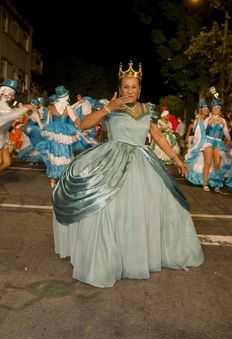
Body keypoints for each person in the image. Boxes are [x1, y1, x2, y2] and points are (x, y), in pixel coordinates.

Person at [52, 61, 204, 288]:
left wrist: (177, 159)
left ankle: (136, 254)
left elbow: (159, 138)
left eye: (134, 87)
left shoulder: (147, 110)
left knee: (145, 209)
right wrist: (108, 108)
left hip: (142, 163)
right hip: (111, 159)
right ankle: (108, 259)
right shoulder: (110, 107)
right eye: (126, 87)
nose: (130, 91)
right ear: (120, 88)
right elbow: (84, 124)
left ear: (140, 90)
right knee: (107, 209)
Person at [185, 99, 231, 192]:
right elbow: (202, 131)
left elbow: (225, 132)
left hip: (218, 142)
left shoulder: (223, 120)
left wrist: (229, 140)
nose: (216, 109)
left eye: (218, 108)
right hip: (208, 142)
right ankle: (205, 183)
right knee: (208, 162)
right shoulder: (207, 119)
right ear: (212, 109)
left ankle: (216, 183)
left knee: (217, 164)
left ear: (220, 109)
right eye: (214, 108)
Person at [0, 79, 35, 172]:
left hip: (2, 139)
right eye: (11, 94)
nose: (13, 97)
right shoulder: (1, 105)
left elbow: (11, 114)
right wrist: (24, 108)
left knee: (6, 162)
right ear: (4, 92)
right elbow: (7, 117)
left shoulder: (5, 105)